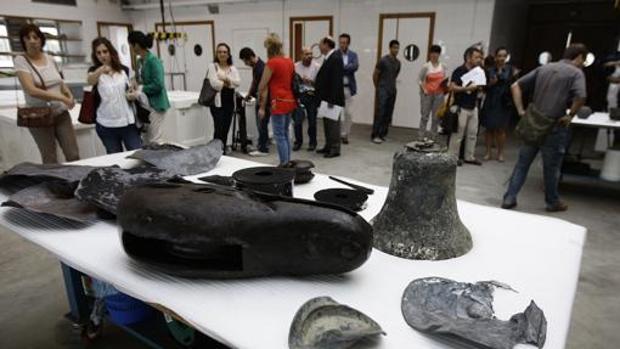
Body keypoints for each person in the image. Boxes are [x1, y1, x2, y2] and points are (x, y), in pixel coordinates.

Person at [502, 43, 588, 212]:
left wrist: (521, 111)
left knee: (522, 164)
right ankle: (552, 201)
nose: (582, 63)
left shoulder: (545, 68)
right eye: (583, 60)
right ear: (578, 57)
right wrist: (570, 115)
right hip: (554, 125)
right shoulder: (576, 73)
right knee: (551, 167)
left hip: (534, 122)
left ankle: (509, 197)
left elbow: (515, 86)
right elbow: (581, 96)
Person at [14, 24, 79, 164]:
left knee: (73, 154)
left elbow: (60, 81)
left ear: (41, 40)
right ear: (23, 40)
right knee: (50, 158)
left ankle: (77, 182)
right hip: (39, 116)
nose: (32, 40)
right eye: (28, 37)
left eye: (35, 37)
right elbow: (31, 90)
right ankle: (55, 186)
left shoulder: (50, 59)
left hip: (60, 113)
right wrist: (61, 97)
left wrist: (69, 96)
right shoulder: (21, 61)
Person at [87, 37, 142, 154]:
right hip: (107, 125)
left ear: (111, 52)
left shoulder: (124, 70)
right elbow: (90, 81)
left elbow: (132, 86)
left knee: (138, 155)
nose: (102, 55)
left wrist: (132, 92)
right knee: (115, 161)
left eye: (105, 51)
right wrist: (101, 69)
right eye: (99, 53)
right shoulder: (94, 71)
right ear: (95, 55)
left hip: (128, 123)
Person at [257, 33, 297, 166]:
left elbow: (263, 84)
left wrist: (260, 96)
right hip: (290, 101)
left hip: (278, 102)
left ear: (269, 49)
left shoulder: (272, 63)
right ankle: (287, 160)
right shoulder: (289, 61)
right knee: (285, 133)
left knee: (279, 135)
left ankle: (284, 163)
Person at [127, 31, 170, 145]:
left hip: (156, 105)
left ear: (136, 45)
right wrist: (134, 84)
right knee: (146, 139)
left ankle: (159, 161)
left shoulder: (153, 61)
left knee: (155, 139)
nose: (131, 48)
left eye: (131, 45)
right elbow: (140, 79)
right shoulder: (140, 61)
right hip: (145, 105)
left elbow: (158, 84)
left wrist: (141, 88)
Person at [480, 47, 518, 162]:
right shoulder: (489, 70)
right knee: (489, 128)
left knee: (501, 129)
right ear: (495, 57)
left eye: (504, 56)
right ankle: (488, 152)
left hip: (504, 102)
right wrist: (491, 84)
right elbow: (483, 88)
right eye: (499, 56)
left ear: (506, 57)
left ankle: (500, 153)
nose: (501, 58)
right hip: (491, 101)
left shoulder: (512, 70)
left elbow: (515, 86)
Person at [449, 46, 484, 166]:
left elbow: (480, 87)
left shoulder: (478, 71)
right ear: (468, 58)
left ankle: (469, 156)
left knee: (472, 133)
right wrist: (467, 88)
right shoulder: (459, 70)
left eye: (480, 57)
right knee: (458, 134)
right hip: (461, 106)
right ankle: (453, 157)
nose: (479, 59)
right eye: (476, 57)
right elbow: (452, 87)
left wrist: (479, 88)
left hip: (473, 106)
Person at [205, 43, 241, 152]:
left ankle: (222, 151)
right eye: (220, 52)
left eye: (225, 52)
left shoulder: (233, 68)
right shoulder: (213, 66)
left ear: (228, 54)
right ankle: (215, 152)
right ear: (216, 53)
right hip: (217, 103)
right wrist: (229, 82)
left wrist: (224, 79)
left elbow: (238, 82)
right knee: (219, 128)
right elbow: (214, 83)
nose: (222, 54)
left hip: (229, 102)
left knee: (226, 129)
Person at [315, 36, 345, 158]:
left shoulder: (336, 58)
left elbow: (336, 81)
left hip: (332, 99)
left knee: (333, 125)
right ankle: (328, 145)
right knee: (327, 124)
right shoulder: (329, 58)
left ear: (327, 45)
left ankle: (335, 148)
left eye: (321, 44)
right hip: (326, 98)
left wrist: (332, 99)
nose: (319, 47)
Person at [239, 47, 270, 157]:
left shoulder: (261, 68)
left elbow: (264, 88)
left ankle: (263, 148)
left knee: (262, 124)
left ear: (250, 58)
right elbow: (254, 82)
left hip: (264, 100)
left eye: (245, 61)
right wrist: (249, 94)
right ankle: (263, 144)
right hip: (259, 98)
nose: (245, 63)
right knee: (262, 124)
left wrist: (262, 107)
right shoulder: (256, 66)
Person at [371, 40, 400, 144]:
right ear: (390, 48)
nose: (396, 50)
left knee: (388, 113)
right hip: (383, 90)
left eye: (397, 48)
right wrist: (378, 88)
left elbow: (395, 75)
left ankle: (383, 134)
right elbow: (375, 75)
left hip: (392, 90)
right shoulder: (383, 60)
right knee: (380, 112)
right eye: (394, 48)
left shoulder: (398, 63)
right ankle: (375, 134)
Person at [293, 46, 320, 151]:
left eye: (311, 54)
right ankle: (298, 142)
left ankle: (312, 142)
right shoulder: (295, 66)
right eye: (306, 54)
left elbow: (321, 83)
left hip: (312, 95)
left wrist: (311, 82)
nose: (309, 56)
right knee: (297, 120)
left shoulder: (317, 66)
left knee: (312, 121)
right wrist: (299, 81)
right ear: (301, 55)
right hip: (299, 95)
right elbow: (292, 82)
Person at [418, 44, 447, 138]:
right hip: (427, 94)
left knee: (436, 117)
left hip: (439, 95)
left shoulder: (443, 66)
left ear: (439, 54)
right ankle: (421, 137)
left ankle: (433, 137)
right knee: (424, 116)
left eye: (436, 53)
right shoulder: (426, 66)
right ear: (430, 54)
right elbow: (419, 79)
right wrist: (424, 89)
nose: (434, 55)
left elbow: (445, 79)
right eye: (432, 53)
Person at [339, 33, 359, 144]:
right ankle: (336, 134)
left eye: (344, 42)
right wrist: (347, 67)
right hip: (337, 88)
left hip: (348, 88)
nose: (342, 44)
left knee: (348, 113)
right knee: (336, 113)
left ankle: (345, 134)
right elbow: (333, 69)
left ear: (348, 43)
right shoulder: (335, 54)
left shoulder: (353, 55)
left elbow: (355, 66)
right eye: (341, 42)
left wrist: (342, 68)